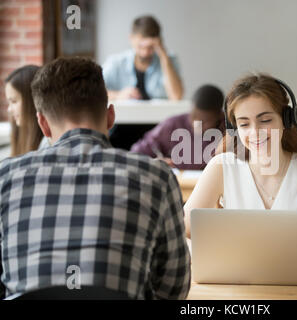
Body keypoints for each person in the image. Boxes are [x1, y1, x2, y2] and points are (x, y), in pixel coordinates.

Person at [0, 57, 190, 300]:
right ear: (110, 117)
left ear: (43, 125)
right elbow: (173, 289)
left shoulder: (5, 177)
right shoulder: (157, 177)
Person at [183, 74, 297, 269]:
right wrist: (212, 256)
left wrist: (291, 261)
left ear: (286, 119)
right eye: (244, 124)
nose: (255, 132)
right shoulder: (221, 168)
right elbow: (176, 234)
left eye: (265, 120)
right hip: (240, 288)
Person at [131, 84, 225, 170]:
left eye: (204, 121)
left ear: (220, 116)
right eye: (193, 117)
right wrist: (153, 162)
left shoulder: (228, 131)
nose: (195, 124)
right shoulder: (173, 125)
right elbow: (137, 152)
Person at [102, 15, 183, 101]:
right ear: (131, 38)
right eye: (140, 47)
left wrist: (164, 57)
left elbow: (176, 96)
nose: (145, 53)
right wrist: (118, 95)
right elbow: (92, 92)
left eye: (151, 47)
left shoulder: (169, 60)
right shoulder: (116, 62)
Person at [4, 65, 49, 157]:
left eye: (14, 101)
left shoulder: (48, 145)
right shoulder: (21, 137)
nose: (9, 109)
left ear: (32, 101)